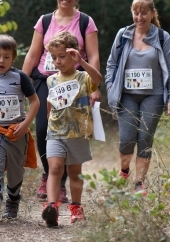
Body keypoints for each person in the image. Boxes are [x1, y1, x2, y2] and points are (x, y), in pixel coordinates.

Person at [22, 0, 101, 203]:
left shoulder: (85, 21)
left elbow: (94, 55)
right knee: (43, 128)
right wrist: (21, 81)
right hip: (46, 81)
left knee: (70, 130)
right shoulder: (45, 21)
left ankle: (62, 182)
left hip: (75, 84)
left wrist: (94, 89)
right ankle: (49, 173)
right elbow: (33, 54)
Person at [105, 0, 170, 193]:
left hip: (153, 95)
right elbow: (111, 64)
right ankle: (124, 171)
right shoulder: (123, 35)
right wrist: (111, 87)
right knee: (127, 138)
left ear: (152, 13)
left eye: (144, 12)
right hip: (126, 95)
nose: (139, 17)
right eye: (136, 12)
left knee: (145, 137)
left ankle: (140, 183)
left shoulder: (162, 37)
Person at [40, 31, 102, 227]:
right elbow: (50, 101)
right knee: (55, 168)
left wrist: (81, 62)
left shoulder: (83, 77)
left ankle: (76, 207)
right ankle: (52, 207)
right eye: (54, 57)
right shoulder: (51, 80)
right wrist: (49, 115)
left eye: (62, 56)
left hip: (77, 133)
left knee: (75, 173)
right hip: (55, 132)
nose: (57, 61)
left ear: (73, 54)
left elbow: (98, 79)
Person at [0, 35, 40, 224]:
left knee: (15, 171)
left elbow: (35, 102)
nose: (1, 60)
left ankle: (13, 201)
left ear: (13, 58)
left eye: (6, 56)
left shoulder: (20, 77)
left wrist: (25, 124)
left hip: (16, 131)